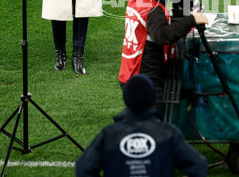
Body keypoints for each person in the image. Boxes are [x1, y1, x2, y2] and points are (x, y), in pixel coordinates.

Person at [75, 74, 208, 177]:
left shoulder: (109, 134)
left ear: (126, 100)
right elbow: (199, 165)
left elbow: (83, 168)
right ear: (152, 99)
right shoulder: (168, 133)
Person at [119, 0, 208, 112]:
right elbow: (162, 35)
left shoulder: (135, 1)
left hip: (130, 75)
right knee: (152, 126)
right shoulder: (154, 11)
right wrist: (192, 19)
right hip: (146, 81)